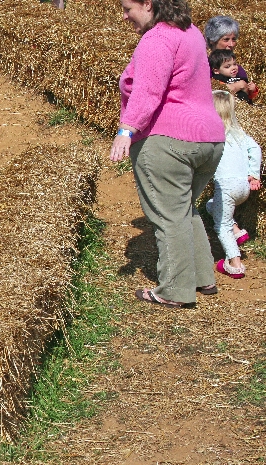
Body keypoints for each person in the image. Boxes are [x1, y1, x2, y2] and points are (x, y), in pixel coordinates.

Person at [109, 0, 225, 307]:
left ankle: (174, 290)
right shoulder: (192, 32)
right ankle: (203, 277)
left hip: (169, 139)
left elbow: (148, 90)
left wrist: (126, 130)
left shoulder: (157, 38)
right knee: (185, 207)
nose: (124, 16)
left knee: (168, 215)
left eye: (127, 8)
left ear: (148, 4)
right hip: (210, 139)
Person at [206, 90, 262, 279]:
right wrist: (254, 174)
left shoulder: (211, 135)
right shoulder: (239, 134)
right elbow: (256, 148)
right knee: (210, 205)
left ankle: (234, 263)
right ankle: (237, 231)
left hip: (226, 187)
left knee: (221, 226)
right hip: (243, 188)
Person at [204, 15, 257, 99]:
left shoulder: (238, 70)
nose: (231, 44)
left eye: (234, 39)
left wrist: (252, 89)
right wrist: (239, 85)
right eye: (226, 39)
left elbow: (249, 96)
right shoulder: (204, 67)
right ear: (212, 41)